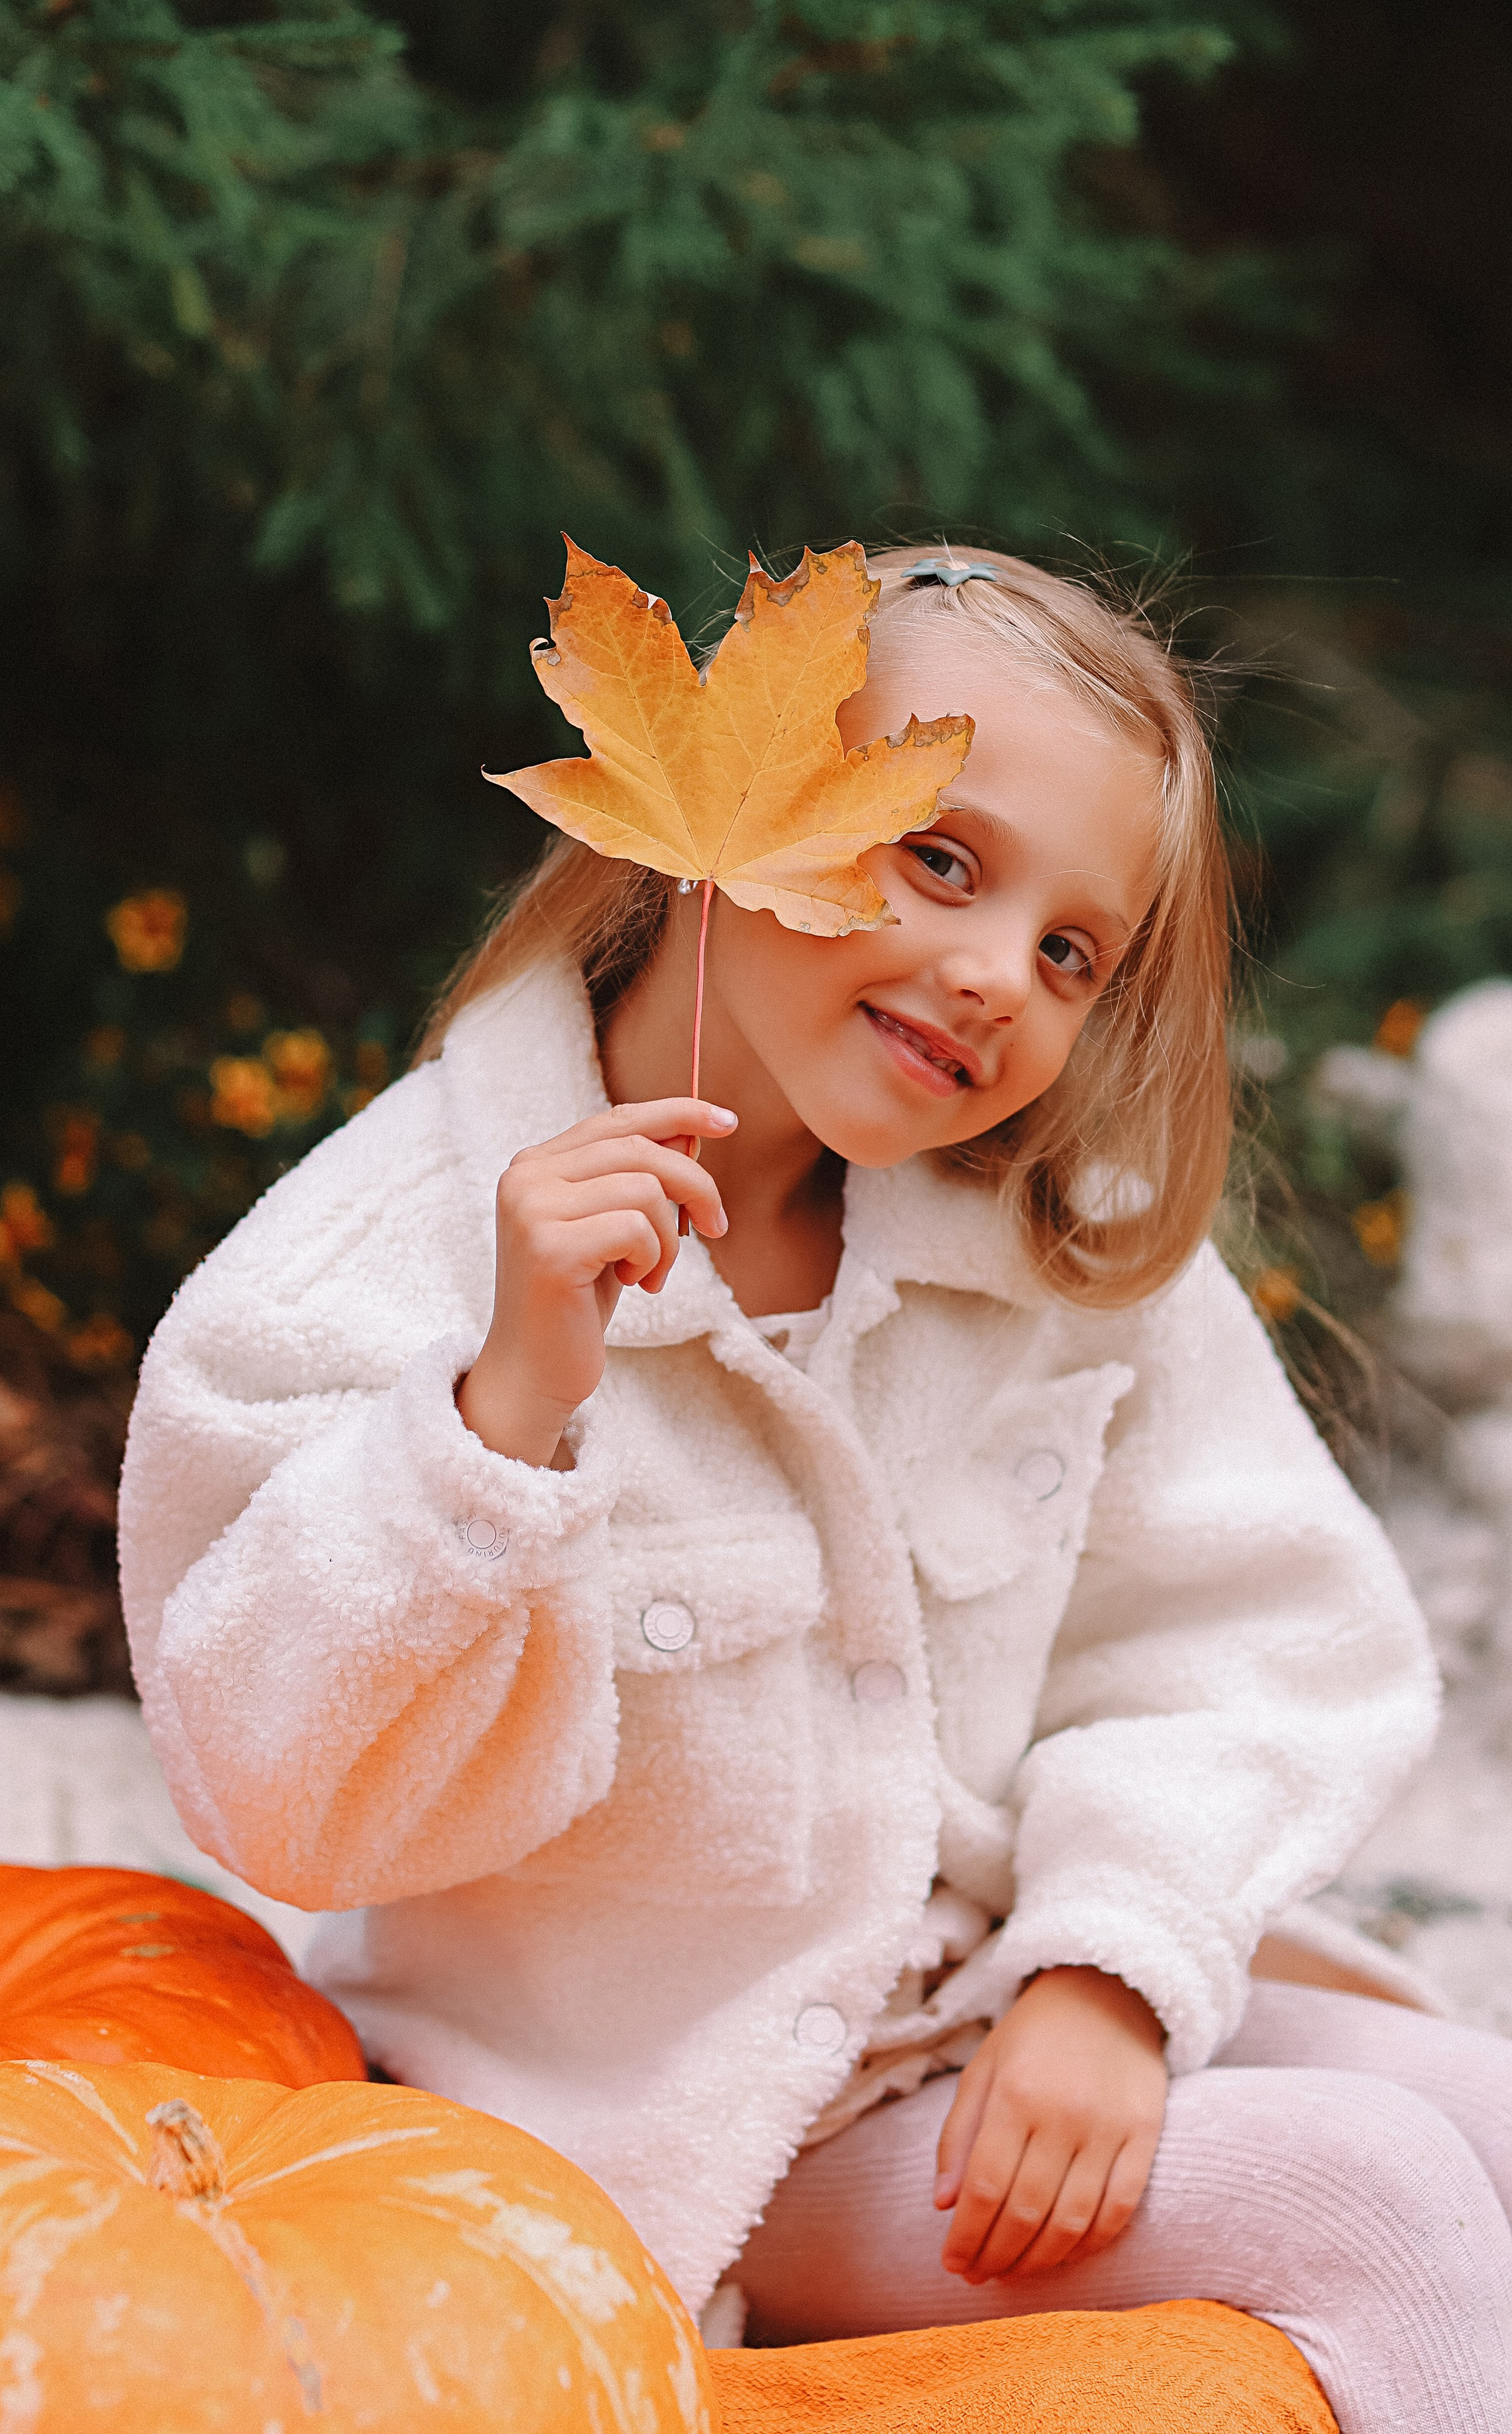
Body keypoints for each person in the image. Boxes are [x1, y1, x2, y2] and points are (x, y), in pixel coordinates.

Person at [119, 547, 1512, 2431]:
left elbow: (1254, 1646)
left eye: (1071, 950)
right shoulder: (383, 1257)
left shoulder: (1057, 1253)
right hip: (696, 2118)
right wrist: (500, 1407)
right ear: (738, 818)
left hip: (988, 2001)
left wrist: (1110, 1965)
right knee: (1379, 2197)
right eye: (941, 858)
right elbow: (280, 1794)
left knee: (1487, 2109)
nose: (995, 975)